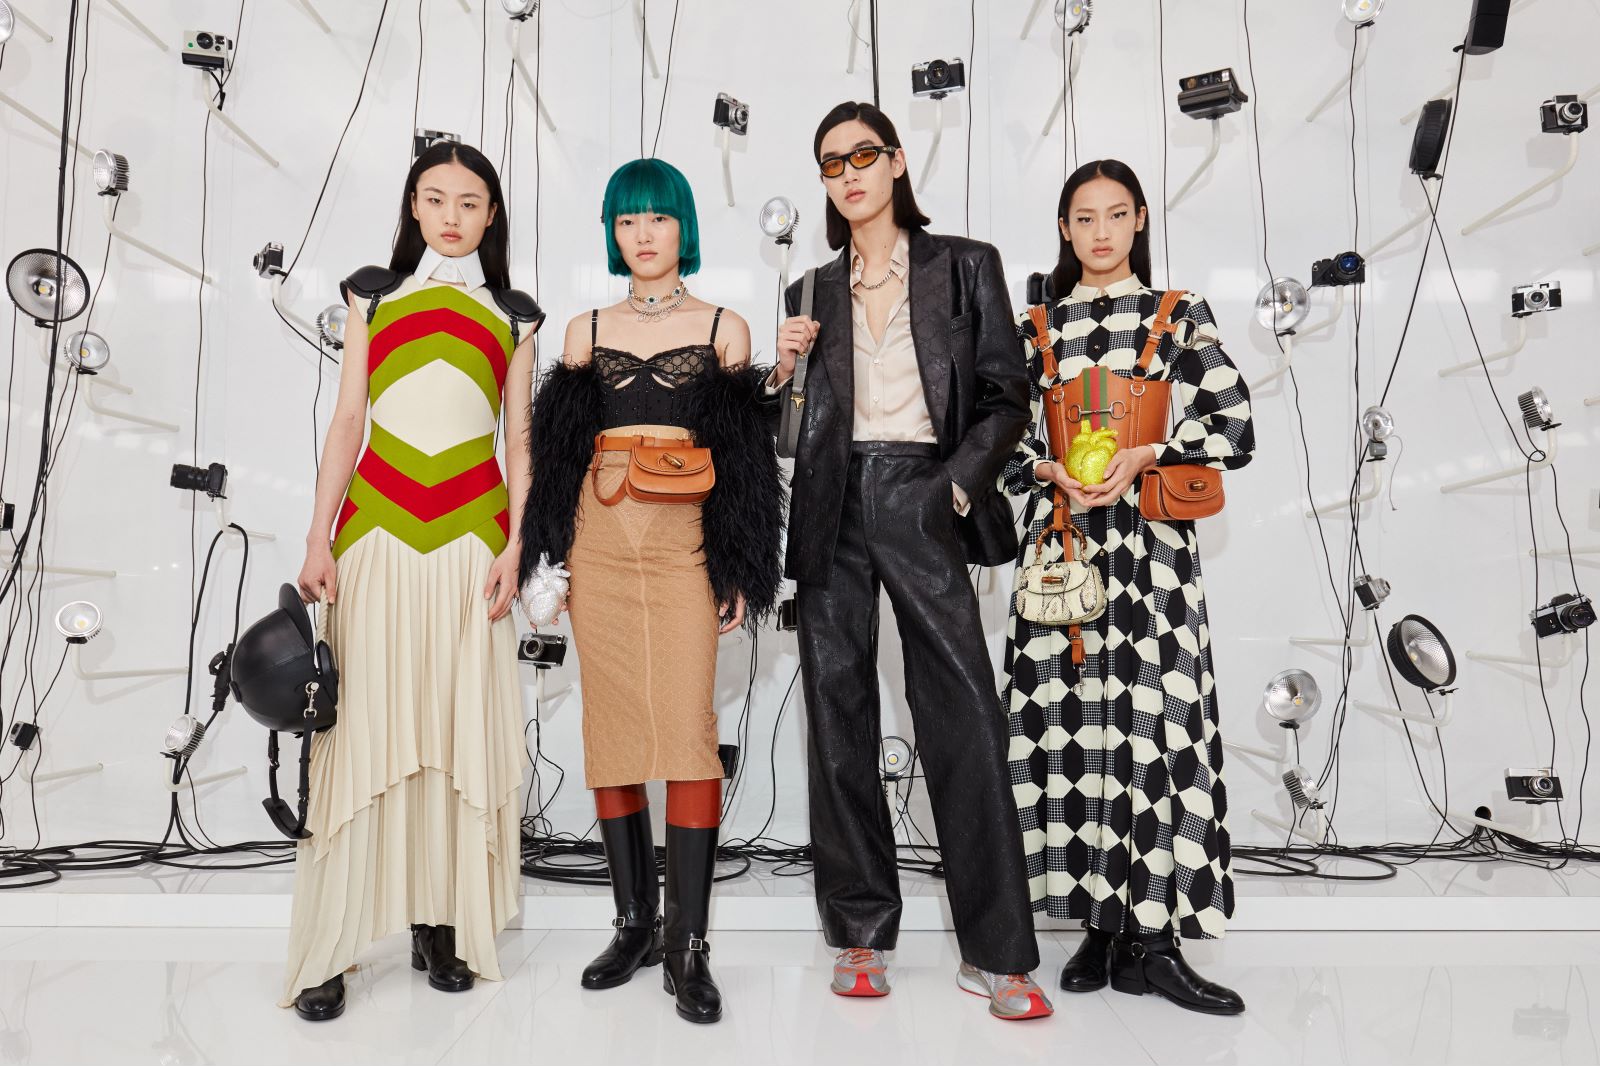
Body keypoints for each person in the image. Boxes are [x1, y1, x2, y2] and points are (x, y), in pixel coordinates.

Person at [764, 101, 1052, 1021]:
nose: (848, 174)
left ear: (895, 162)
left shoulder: (963, 265)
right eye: (830, 163)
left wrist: (955, 488)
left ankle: (999, 953)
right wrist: (781, 374)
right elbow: (787, 432)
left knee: (964, 712)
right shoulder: (807, 291)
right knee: (838, 715)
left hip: (925, 492)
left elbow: (1008, 394)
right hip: (831, 504)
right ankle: (860, 933)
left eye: (863, 155)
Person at [516, 158, 784, 1025]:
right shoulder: (584, 330)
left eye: (658, 218)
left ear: (683, 228)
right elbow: (558, 459)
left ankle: (687, 944)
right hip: (597, 543)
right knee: (614, 727)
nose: (643, 233)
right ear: (612, 232)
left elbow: (745, 466)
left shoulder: (726, 327)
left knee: (689, 729)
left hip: (684, 546)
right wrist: (547, 560)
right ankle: (633, 925)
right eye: (627, 219)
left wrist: (740, 566)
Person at [284, 142, 542, 1020]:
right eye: (435, 199)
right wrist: (317, 537)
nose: (451, 216)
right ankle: (332, 944)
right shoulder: (373, 296)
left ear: (491, 214)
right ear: (412, 206)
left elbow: (519, 441)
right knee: (359, 734)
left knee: (453, 729)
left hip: (473, 544)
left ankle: (442, 924)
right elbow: (348, 420)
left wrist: (519, 546)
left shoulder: (515, 315)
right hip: (375, 537)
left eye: (469, 203)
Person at [1002, 159, 1254, 1015]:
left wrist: (1151, 452)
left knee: (1155, 730)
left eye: (1116, 214)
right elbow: (999, 443)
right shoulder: (1034, 325)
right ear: (1064, 228)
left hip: (1152, 554)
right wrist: (1048, 470)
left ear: (1141, 218)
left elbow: (1235, 423)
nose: (1101, 232)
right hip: (1063, 551)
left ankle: (1155, 940)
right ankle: (1099, 928)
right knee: (1072, 732)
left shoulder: (1177, 313)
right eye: (1084, 217)